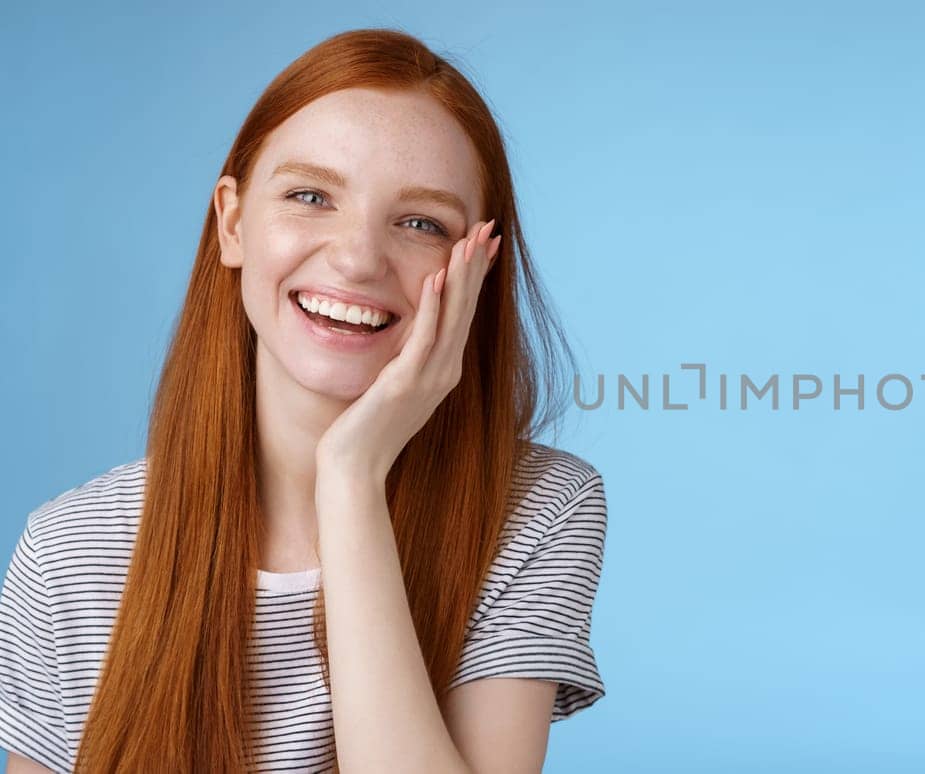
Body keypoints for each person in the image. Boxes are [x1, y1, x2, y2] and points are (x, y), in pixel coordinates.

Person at [0, 27, 608, 773]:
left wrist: (349, 479)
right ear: (232, 222)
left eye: (421, 222)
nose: (357, 258)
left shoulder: (541, 510)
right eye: (310, 196)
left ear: (475, 268)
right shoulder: (69, 555)